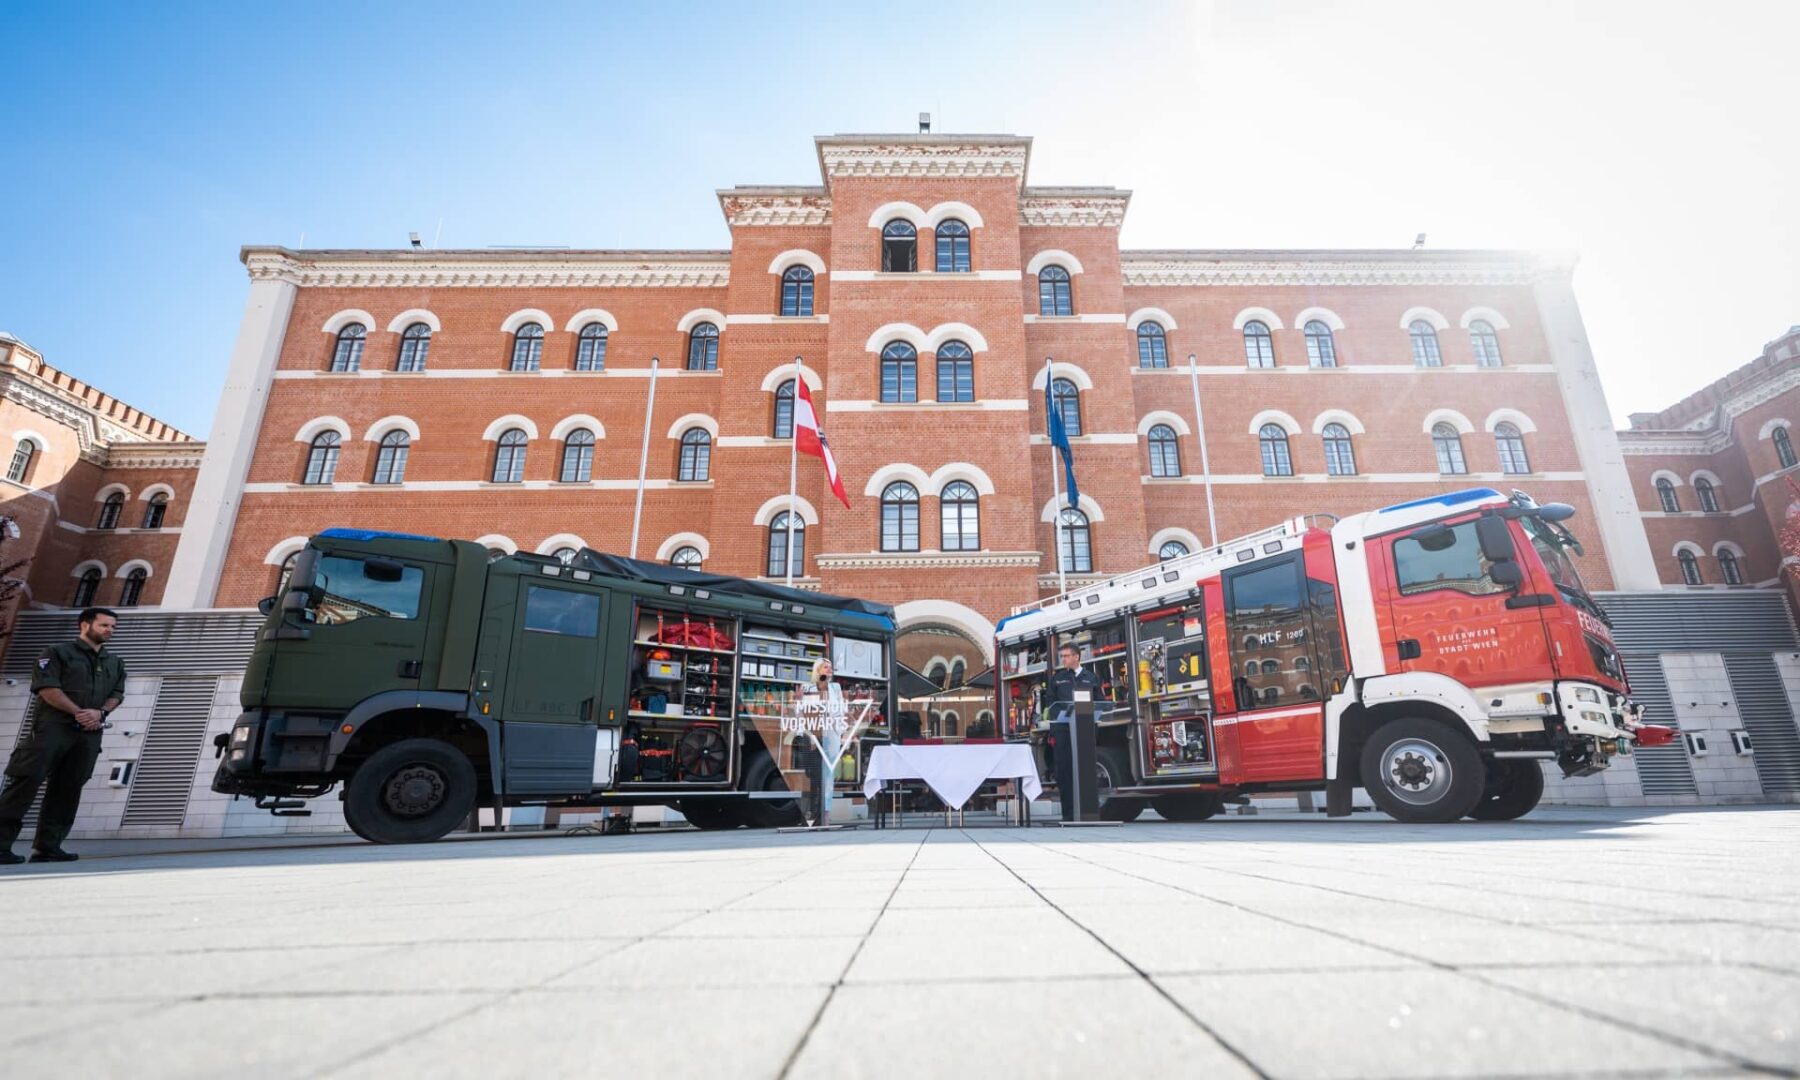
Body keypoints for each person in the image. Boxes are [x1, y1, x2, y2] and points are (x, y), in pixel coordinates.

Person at [0, 607, 126, 864]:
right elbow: (47, 688)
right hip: (51, 729)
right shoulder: (57, 653)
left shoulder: (114, 662)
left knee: (68, 789)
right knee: (25, 783)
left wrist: (100, 713)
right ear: (85, 625)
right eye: (104, 625)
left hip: (88, 735)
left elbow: (117, 693)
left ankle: (48, 847)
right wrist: (79, 712)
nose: (109, 630)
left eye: (113, 626)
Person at [801, 657, 845, 825]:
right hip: (816, 735)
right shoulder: (809, 688)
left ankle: (826, 815)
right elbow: (805, 713)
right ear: (818, 670)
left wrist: (841, 732)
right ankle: (813, 811)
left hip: (832, 734)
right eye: (826, 667)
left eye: (831, 667)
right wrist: (810, 735)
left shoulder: (836, 688)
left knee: (828, 775)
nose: (829, 670)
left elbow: (840, 710)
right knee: (814, 775)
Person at [1043, 642, 1096, 777]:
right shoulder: (1057, 678)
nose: (1063, 659)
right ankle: (1067, 798)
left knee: (1086, 770)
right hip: (1063, 732)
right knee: (1064, 770)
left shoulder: (1090, 677)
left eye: (1066, 656)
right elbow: (1050, 701)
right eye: (1062, 656)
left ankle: (1086, 798)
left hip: (1085, 731)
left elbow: (1099, 700)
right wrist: (1060, 716)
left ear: (1076, 657)